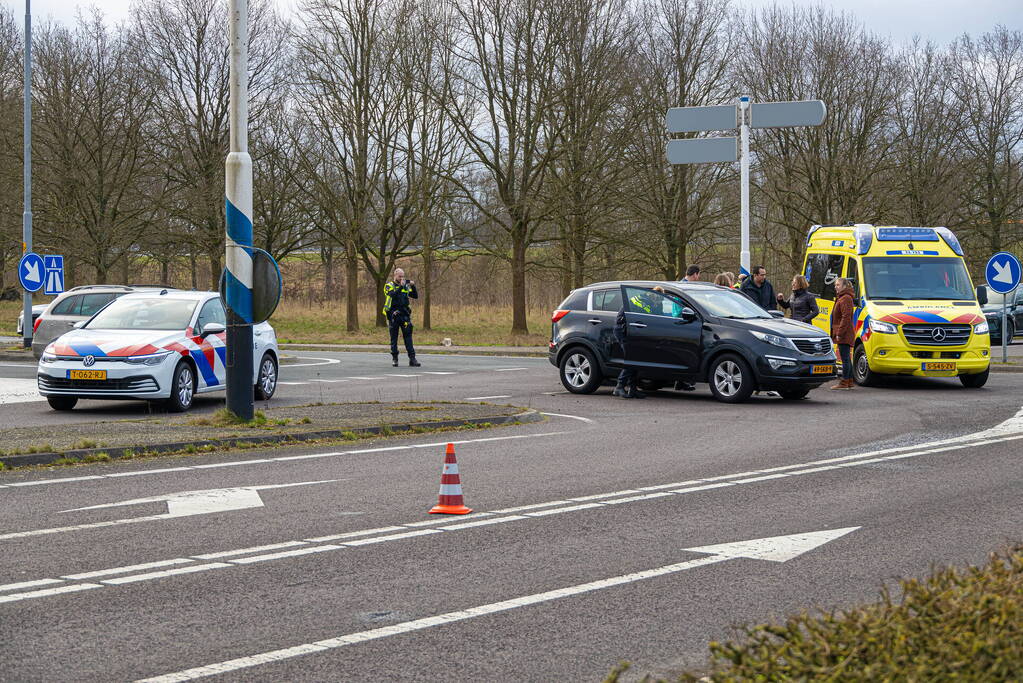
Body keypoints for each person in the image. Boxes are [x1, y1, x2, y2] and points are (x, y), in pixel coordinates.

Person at [382, 268, 421, 367]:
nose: (401, 278)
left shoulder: (405, 286)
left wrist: (413, 285)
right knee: (394, 338)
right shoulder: (388, 286)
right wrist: (400, 286)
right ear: (395, 276)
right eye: (400, 276)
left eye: (403, 276)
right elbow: (392, 296)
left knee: (408, 337)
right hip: (393, 315)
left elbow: (415, 296)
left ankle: (412, 359)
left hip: (404, 315)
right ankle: (395, 358)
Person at [831, 277, 855, 390]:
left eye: (838, 285)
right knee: (846, 358)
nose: (835, 286)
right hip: (843, 331)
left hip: (844, 332)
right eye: (835, 285)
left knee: (845, 358)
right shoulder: (843, 297)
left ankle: (844, 382)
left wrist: (839, 332)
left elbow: (846, 317)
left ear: (844, 286)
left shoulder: (846, 298)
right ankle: (849, 381)